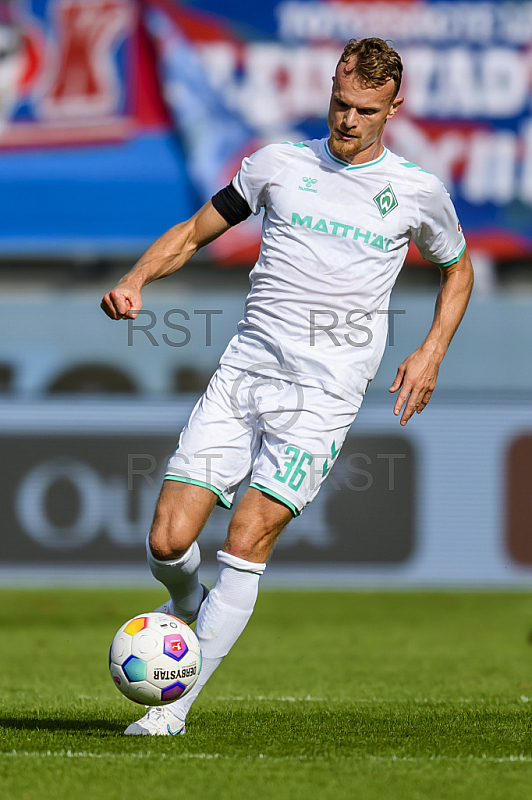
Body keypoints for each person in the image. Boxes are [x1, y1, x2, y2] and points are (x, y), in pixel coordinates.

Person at [101, 37, 473, 735]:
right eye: (340, 103)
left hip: (323, 398)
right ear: (329, 92)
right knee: (165, 539)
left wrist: (431, 351)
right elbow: (193, 232)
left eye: (365, 109)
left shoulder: (419, 192)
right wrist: (135, 278)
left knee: (248, 535)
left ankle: (171, 711)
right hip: (245, 373)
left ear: (395, 108)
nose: (348, 120)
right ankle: (185, 605)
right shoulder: (279, 164)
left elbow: (458, 269)